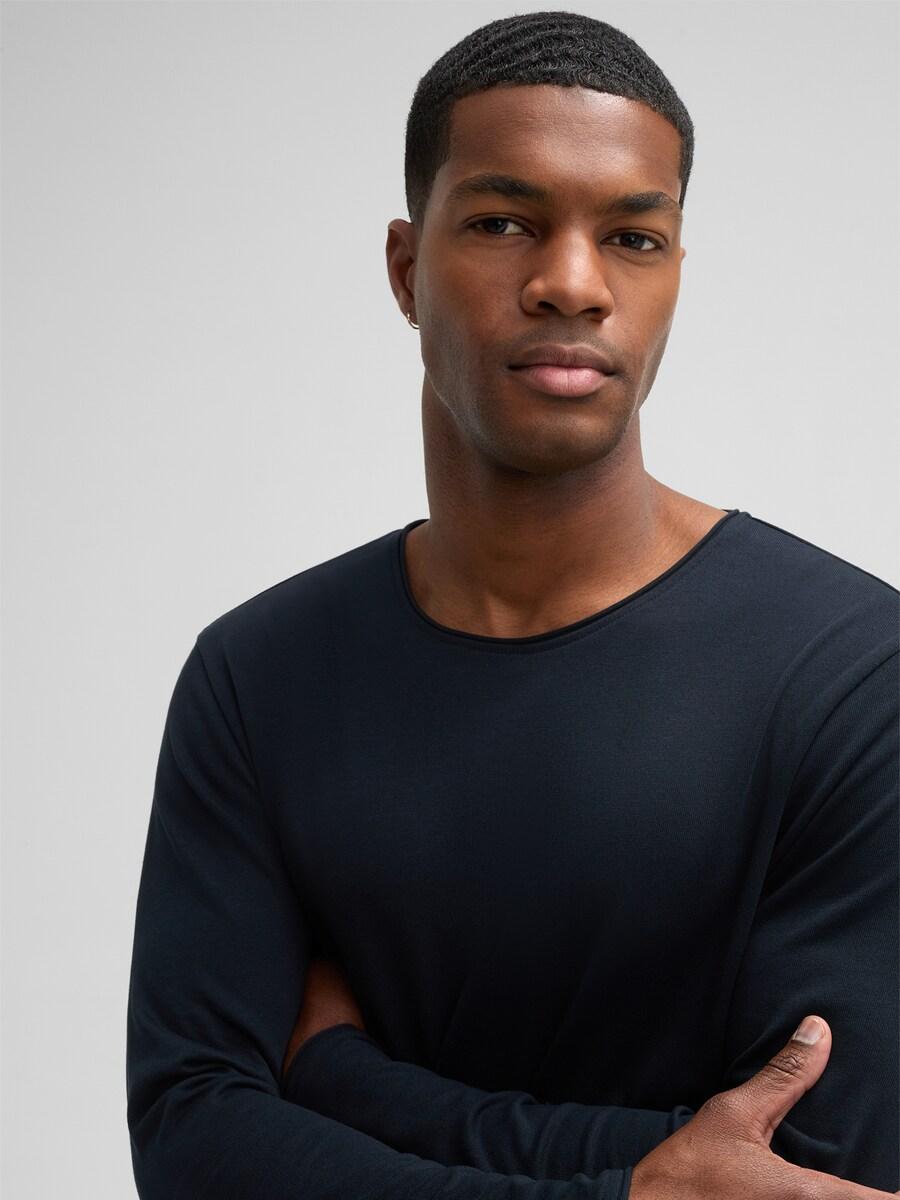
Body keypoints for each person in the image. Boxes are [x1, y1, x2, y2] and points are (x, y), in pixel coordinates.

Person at [125, 10, 899, 1198]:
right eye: (502, 222)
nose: (572, 284)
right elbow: (191, 1142)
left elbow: (806, 1175)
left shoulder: (853, 674)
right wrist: (636, 1184)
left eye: (633, 237)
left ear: (674, 275)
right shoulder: (259, 676)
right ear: (405, 268)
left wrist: (340, 1079)